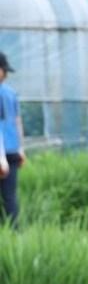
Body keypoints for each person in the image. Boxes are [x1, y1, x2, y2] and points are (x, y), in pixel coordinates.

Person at [0, 52, 25, 227]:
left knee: (9, 197)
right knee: (10, 196)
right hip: (9, 152)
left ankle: (12, 234)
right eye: (4, 70)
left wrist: (20, 149)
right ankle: (12, 234)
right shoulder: (10, 93)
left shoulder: (9, 93)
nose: (6, 74)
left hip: (7, 153)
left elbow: (17, 121)